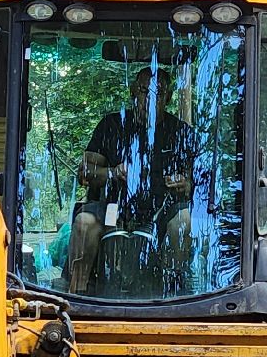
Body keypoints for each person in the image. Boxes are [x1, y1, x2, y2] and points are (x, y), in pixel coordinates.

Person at [67, 65, 194, 293]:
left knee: (184, 220)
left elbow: (196, 183)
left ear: (168, 98)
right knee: (84, 222)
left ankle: (176, 292)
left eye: (158, 93)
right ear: (133, 92)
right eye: (144, 91)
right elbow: (85, 173)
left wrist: (185, 184)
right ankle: (77, 294)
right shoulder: (111, 125)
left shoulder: (181, 132)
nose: (150, 99)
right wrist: (113, 173)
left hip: (161, 211)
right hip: (112, 209)